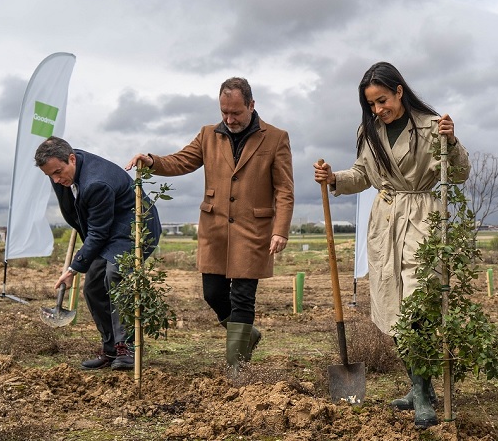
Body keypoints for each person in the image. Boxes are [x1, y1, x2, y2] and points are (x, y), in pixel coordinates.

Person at [313, 61, 469, 429]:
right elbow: (363, 175)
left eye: (383, 101)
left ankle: (423, 393)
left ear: (399, 91)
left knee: (417, 306)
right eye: (371, 105)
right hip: (384, 222)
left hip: (421, 220)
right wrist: (334, 177)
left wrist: (452, 141)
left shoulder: (432, 126)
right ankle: (419, 389)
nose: (378, 110)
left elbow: (459, 173)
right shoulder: (368, 132)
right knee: (392, 306)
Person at [125, 77, 294, 373]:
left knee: (243, 295)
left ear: (252, 106)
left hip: (254, 230)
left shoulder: (276, 138)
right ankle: (246, 336)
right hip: (215, 228)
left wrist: (280, 229)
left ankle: (236, 366)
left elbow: (284, 189)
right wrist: (152, 161)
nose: (229, 119)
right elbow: (181, 161)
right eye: (224, 112)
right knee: (212, 293)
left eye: (236, 113)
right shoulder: (207, 134)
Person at [35, 136, 162, 371]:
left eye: (58, 172)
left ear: (71, 159)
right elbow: (74, 211)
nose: (55, 179)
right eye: (50, 175)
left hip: (135, 227)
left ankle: (127, 349)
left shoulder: (97, 183)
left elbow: (99, 232)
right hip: (109, 227)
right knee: (93, 285)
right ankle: (111, 349)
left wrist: (74, 268)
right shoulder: (61, 168)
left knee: (116, 275)